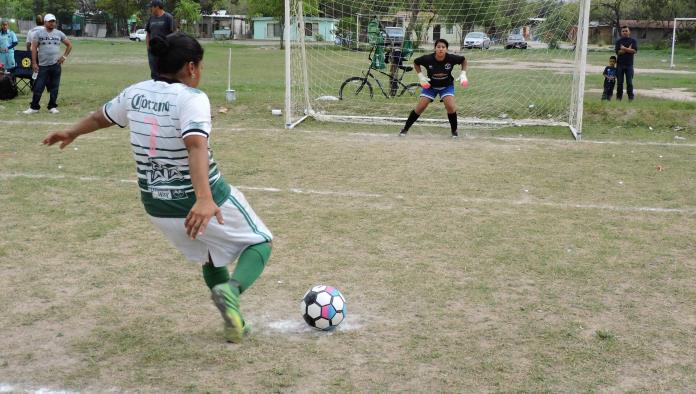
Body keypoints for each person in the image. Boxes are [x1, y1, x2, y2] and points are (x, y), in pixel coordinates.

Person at [42, 32, 273, 344]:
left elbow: (101, 117)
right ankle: (231, 291)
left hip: (157, 206)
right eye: (201, 65)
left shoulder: (135, 93)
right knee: (260, 242)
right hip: (198, 201)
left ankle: (235, 321)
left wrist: (71, 132)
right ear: (191, 67)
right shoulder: (192, 99)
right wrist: (204, 198)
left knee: (211, 254)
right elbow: (195, 145)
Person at [399, 38, 467, 138]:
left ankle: (454, 131)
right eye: (438, 47)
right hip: (431, 86)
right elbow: (416, 62)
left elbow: (463, 60)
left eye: (443, 47)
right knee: (420, 107)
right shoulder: (428, 59)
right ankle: (405, 129)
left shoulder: (451, 58)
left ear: (446, 49)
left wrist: (463, 74)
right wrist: (421, 76)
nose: (441, 49)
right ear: (435, 48)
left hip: (446, 86)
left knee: (450, 106)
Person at [24, 13, 72, 114]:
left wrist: (64, 57)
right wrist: (34, 63)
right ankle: (34, 107)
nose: (52, 23)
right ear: (45, 22)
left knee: (54, 87)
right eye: (50, 21)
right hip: (42, 66)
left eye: (53, 21)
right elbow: (33, 49)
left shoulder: (59, 33)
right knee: (38, 87)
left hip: (55, 65)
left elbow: (69, 45)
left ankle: (52, 107)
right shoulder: (38, 33)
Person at [146, 0, 175, 79]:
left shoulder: (168, 17)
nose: (150, 9)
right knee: (154, 72)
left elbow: (173, 34)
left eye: (151, 7)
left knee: (165, 72)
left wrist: (170, 48)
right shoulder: (151, 18)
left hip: (164, 50)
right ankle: (155, 88)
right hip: (152, 50)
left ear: (157, 7)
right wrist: (148, 47)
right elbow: (148, 33)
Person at [614, 26, 638, 101]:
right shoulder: (618, 41)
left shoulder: (633, 41)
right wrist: (628, 49)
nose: (625, 32)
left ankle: (630, 98)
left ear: (629, 32)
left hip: (629, 65)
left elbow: (634, 51)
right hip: (620, 65)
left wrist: (624, 48)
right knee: (619, 83)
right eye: (623, 31)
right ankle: (618, 99)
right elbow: (618, 52)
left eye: (626, 31)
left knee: (629, 83)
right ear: (621, 32)